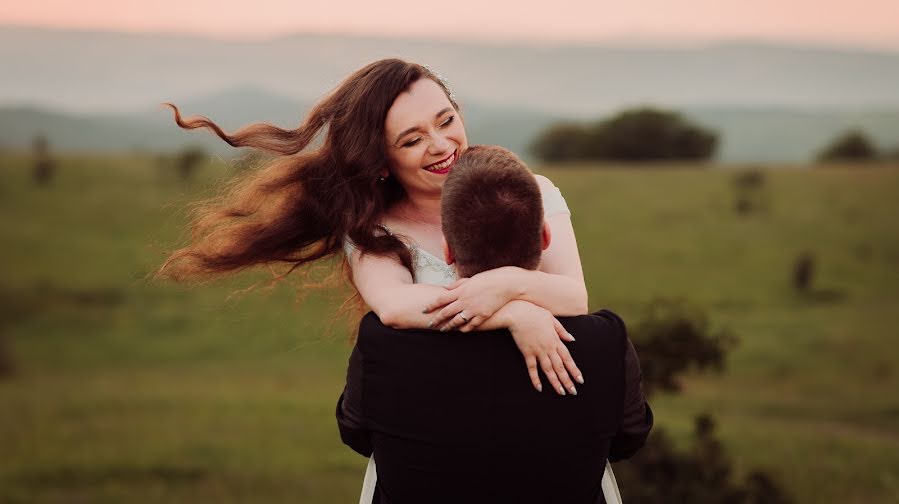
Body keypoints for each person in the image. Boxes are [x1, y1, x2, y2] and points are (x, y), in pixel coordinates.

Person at [156, 59, 592, 496]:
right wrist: (515, 314)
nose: (440, 145)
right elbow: (396, 307)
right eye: (412, 140)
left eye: (446, 121)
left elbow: (574, 297)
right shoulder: (373, 229)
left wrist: (505, 287)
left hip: (542, 432)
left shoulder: (530, 190)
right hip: (430, 446)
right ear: (381, 160)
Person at [337, 145, 653, 503]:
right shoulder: (604, 343)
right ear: (546, 237)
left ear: (448, 251)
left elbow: (356, 433)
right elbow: (630, 435)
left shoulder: (383, 343)